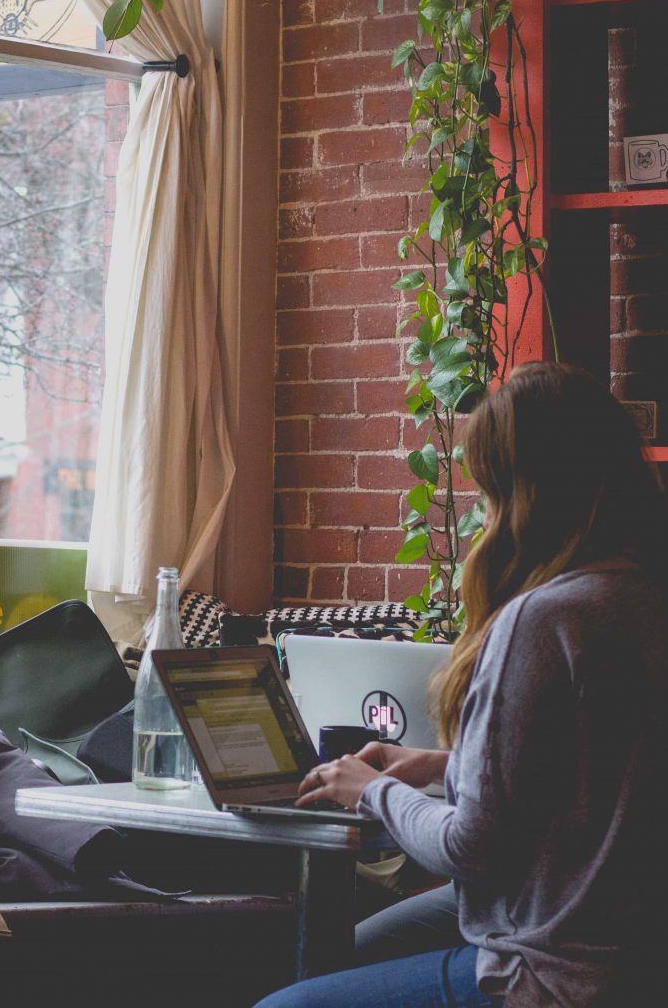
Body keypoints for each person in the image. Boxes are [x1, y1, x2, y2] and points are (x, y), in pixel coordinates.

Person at [255, 363, 667, 1008]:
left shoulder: (544, 619)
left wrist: (372, 790)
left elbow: (468, 848)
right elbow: (597, 777)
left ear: (521, 490)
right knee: (341, 954)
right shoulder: (639, 594)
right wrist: (446, 764)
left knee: (283, 1004)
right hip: (632, 940)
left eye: (487, 486)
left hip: (560, 965)